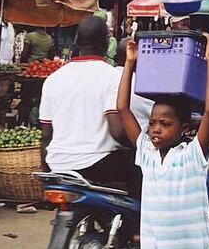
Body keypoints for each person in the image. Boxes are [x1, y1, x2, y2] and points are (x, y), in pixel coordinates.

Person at [117, 33, 209, 249]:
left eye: (165, 123)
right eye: (152, 123)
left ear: (184, 128)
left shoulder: (192, 156)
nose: (156, 129)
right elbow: (122, 108)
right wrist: (130, 62)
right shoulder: (147, 154)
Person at [39, 16, 136, 195]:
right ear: (107, 43)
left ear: (76, 41)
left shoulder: (53, 79)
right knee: (140, 167)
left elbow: (46, 134)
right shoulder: (112, 76)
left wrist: (46, 169)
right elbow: (117, 132)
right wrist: (140, 145)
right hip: (97, 164)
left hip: (57, 165)